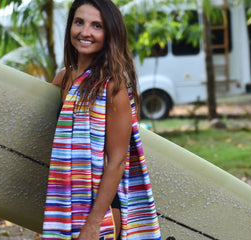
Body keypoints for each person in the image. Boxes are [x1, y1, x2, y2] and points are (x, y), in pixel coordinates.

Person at [41, 0, 161, 239]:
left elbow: (117, 160)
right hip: (64, 201)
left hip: (101, 209)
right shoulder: (63, 79)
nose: (85, 32)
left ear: (109, 34)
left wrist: (93, 224)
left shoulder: (113, 86)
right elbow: (52, 148)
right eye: (79, 22)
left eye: (97, 26)